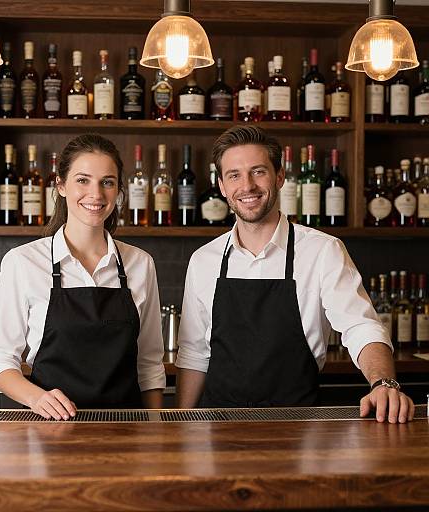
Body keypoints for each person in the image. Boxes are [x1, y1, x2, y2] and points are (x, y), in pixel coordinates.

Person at [175, 125, 414, 423]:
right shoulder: (203, 260)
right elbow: (195, 356)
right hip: (218, 427)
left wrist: (383, 383)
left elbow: (360, 327)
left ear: (279, 176)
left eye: (258, 171)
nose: (247, 185)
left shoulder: (323, 251)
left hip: (299, 427)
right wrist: (181, 425)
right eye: (234, 175)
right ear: (222, 186)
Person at [0, 133, 165, 419]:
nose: (96, 194)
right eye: (83, 180)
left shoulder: (141, 264)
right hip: (48, 432)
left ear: (118, 191)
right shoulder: (23, 262)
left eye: (107, 182)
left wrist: (158, 432)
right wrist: (37, 398)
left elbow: (150, 364)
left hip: (128, 432)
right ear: (61, 186)